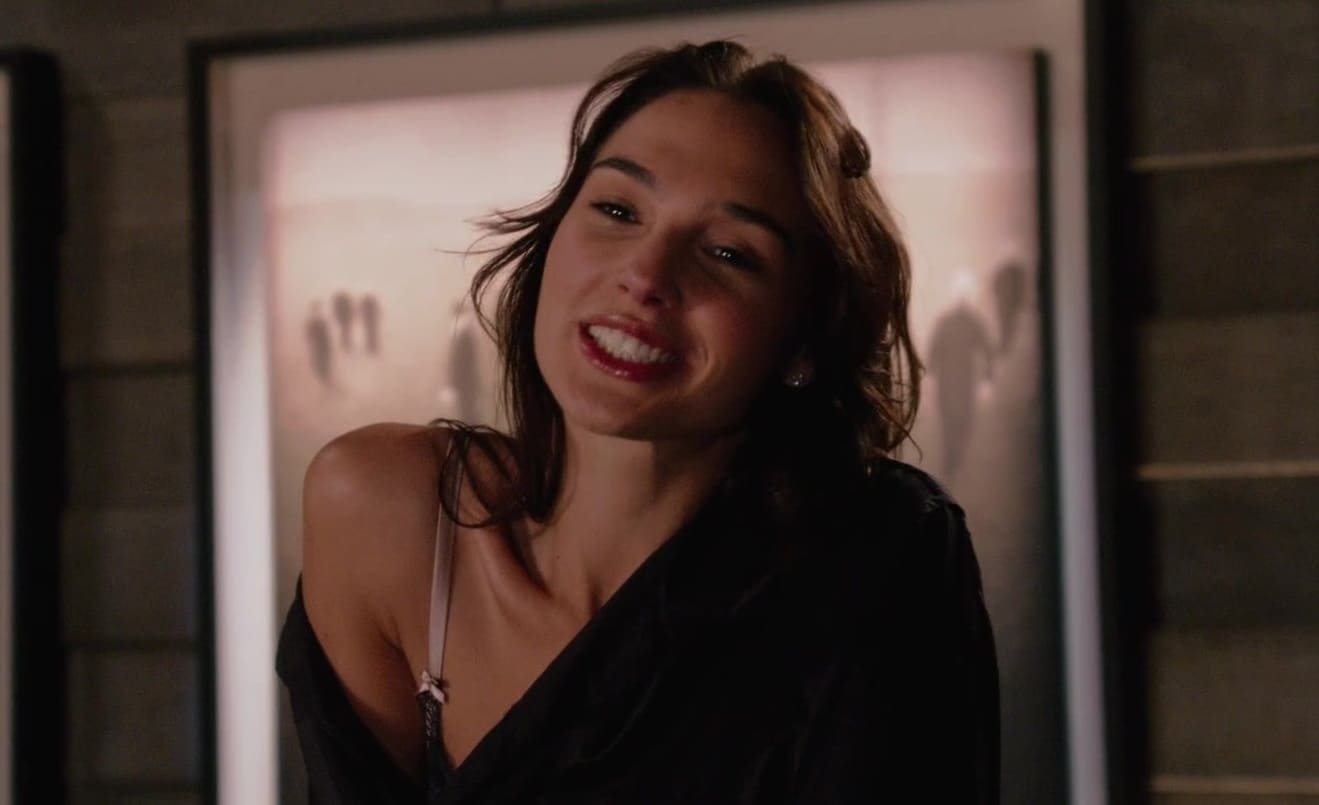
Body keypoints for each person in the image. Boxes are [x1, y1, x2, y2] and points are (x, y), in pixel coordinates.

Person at [277, 40, 999, 804]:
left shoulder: (878, 556)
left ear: (803, 338)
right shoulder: (381, 510)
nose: (646, 276)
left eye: (729, 252)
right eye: (618, 211)